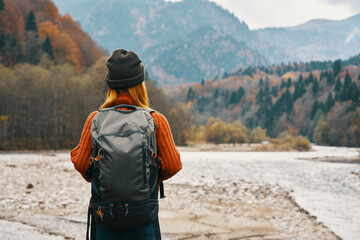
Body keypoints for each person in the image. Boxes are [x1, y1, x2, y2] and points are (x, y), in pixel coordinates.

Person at [70, 49, 182, 240]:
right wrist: (146, 177)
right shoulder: (156, 120)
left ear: (110, 85)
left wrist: (105, 176)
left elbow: (81, 164)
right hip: (143, 217)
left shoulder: (95, 119)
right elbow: (173, 165)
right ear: (141, 84)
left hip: (105, 216)